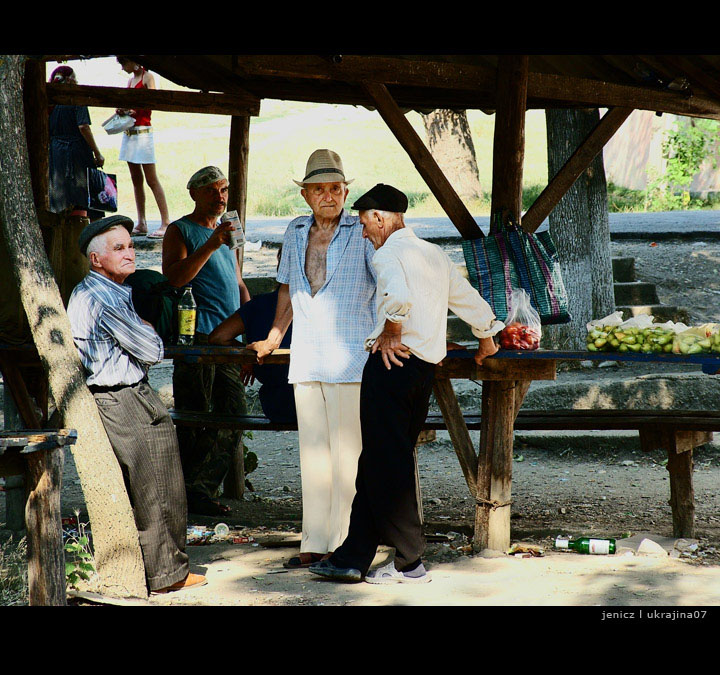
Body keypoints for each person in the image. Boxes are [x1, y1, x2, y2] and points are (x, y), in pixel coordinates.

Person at [309, 184, 504, 584]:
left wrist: (392, 330)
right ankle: (352, 556)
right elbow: (467, 298)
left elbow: (397, 297)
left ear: (379, 218)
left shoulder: (387, 254)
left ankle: (410, 563)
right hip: (421, 372)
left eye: (365, 223)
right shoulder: (433, 254)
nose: (364, 232)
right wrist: (486, 336)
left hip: (391, 366)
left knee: (389, 464)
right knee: (379, 461)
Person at [248, 149, 377, 569]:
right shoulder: (296, 230)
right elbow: (287, 288)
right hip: (306, 356)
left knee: (348, 456)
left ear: (345, 193)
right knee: (314, 454)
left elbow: (387, 283)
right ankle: (315, 542)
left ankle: (345, 544)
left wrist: (390, 332)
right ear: (305, 195)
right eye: (319, 189)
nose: (328, 196)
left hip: (351, 357)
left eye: (335, 188)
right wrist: (273, 336)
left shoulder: (361, 231)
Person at [67, 214, 206, 594]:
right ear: (96, 259)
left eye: (130, 245)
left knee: (160, 479)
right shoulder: (102, 297)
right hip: (122, 395)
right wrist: (149, 332)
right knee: (156, 484)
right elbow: (152, 350)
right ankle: (167, 575)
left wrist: (144, 333)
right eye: (119, 248)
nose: (130, 253)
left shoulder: (105, 291)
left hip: (125, 393)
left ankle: (165, 569)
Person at [163, 166, 250, 516]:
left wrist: (250, 335)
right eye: (212, 190)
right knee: (194, 415)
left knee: (235, 414)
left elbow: (239, 284)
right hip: (197, 337)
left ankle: (198, 489)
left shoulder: (228, 231)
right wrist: (211, 245)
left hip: (229, 340)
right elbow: (175, 278)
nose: (220, 197)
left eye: (224, 190)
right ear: (194, 194)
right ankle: (182, 493)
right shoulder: (180, 230)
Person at [209, 247, 296, 425]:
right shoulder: (315, 305)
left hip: (274, 404)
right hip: (310, 400)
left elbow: (218, 337)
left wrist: (248, 356)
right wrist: (251, 354)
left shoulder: (259, 304)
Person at [115, 56, 171, 239]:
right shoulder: (131, 81)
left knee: (151, 179)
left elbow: (152, 102)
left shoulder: (148, 77)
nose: (123, 68)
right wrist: (123, 110)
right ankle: (141, 222)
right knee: (136, 179)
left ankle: (166, 222)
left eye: (124, 63)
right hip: (130, 132)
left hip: (143, 132)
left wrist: (134, 109)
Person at [48, 65, 105, 219]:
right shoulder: (76, 99)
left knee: (61, 198)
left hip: (56, 154)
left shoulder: (50, 102)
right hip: (77, 152)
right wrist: (97, 153)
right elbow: (83, 127)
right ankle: (94, 227)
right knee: (87, 195)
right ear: (70, 80)